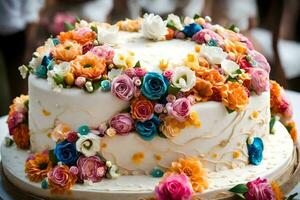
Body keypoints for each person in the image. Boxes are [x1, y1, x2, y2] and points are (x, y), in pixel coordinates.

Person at [0, 0, 44, 101]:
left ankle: (19, 107)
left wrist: (28, 47)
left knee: (17, 78)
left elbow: (31, 15)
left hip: (15, 33)